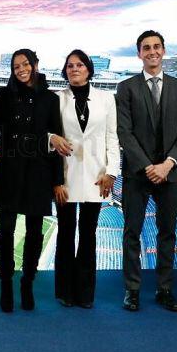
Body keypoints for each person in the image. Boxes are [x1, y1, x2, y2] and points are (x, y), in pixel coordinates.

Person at [115, 30, 177, 312]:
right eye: (146, 47)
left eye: (156, 46)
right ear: (139, 53)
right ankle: (132, 290)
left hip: (171, 173)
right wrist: (148, 166)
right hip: (138, 173)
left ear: (163, 50)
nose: (152, 51)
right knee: (132, 232)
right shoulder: (126, 88)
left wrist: (167, 164)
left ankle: (164, 288)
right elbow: (124, 132)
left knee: (167, 233)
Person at [0, 49, 63, 312]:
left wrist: (58, 181)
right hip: (9, 170)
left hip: (38, 172)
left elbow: (57, 142)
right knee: (5, 232)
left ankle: (27, 282)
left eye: (25, 64)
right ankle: (6, 284)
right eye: (16, 66)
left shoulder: (51, 99)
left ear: (35, 65)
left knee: (34, 233)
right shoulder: (4, 95)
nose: (21, 69)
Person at [48, 50, 119, 309]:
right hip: (64, 177)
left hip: (97, 177)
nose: (74, 69)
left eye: (79, 65)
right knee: (65, 234)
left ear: (89, 69)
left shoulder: (106, 99)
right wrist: (50, 140)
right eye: (69, 65)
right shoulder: (56, 99)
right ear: (65, 71)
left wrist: (111, 172)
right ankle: (65, 292)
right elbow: (48, 135)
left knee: (88, 235)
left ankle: (86, 293)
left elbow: (112, 137)